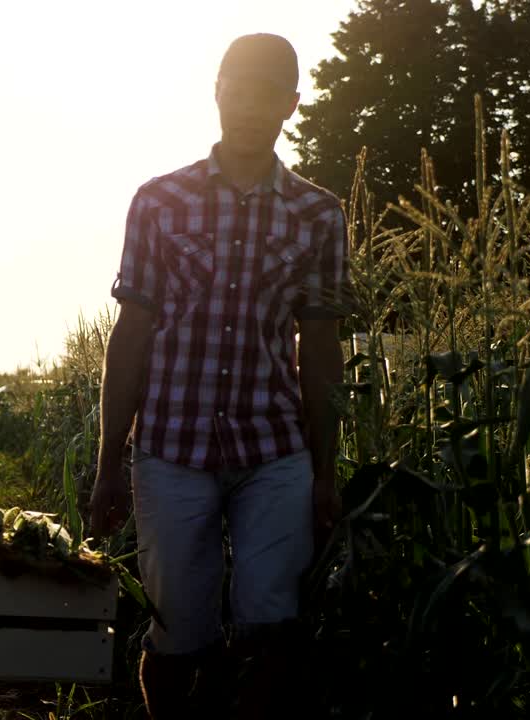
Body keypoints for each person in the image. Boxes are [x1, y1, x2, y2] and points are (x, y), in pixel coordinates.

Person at [88, 33, 353, 719]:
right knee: (177, 631)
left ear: (292, 105)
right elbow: (133, 335)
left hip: (274, 449)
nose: (250, 105)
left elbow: (321, 349)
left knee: (272, 623)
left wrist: (325, 471)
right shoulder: (159, 201)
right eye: (238, 89)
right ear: (216, 90)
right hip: (173, 447)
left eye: (269, 93)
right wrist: (109, 462)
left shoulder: (318, 213)